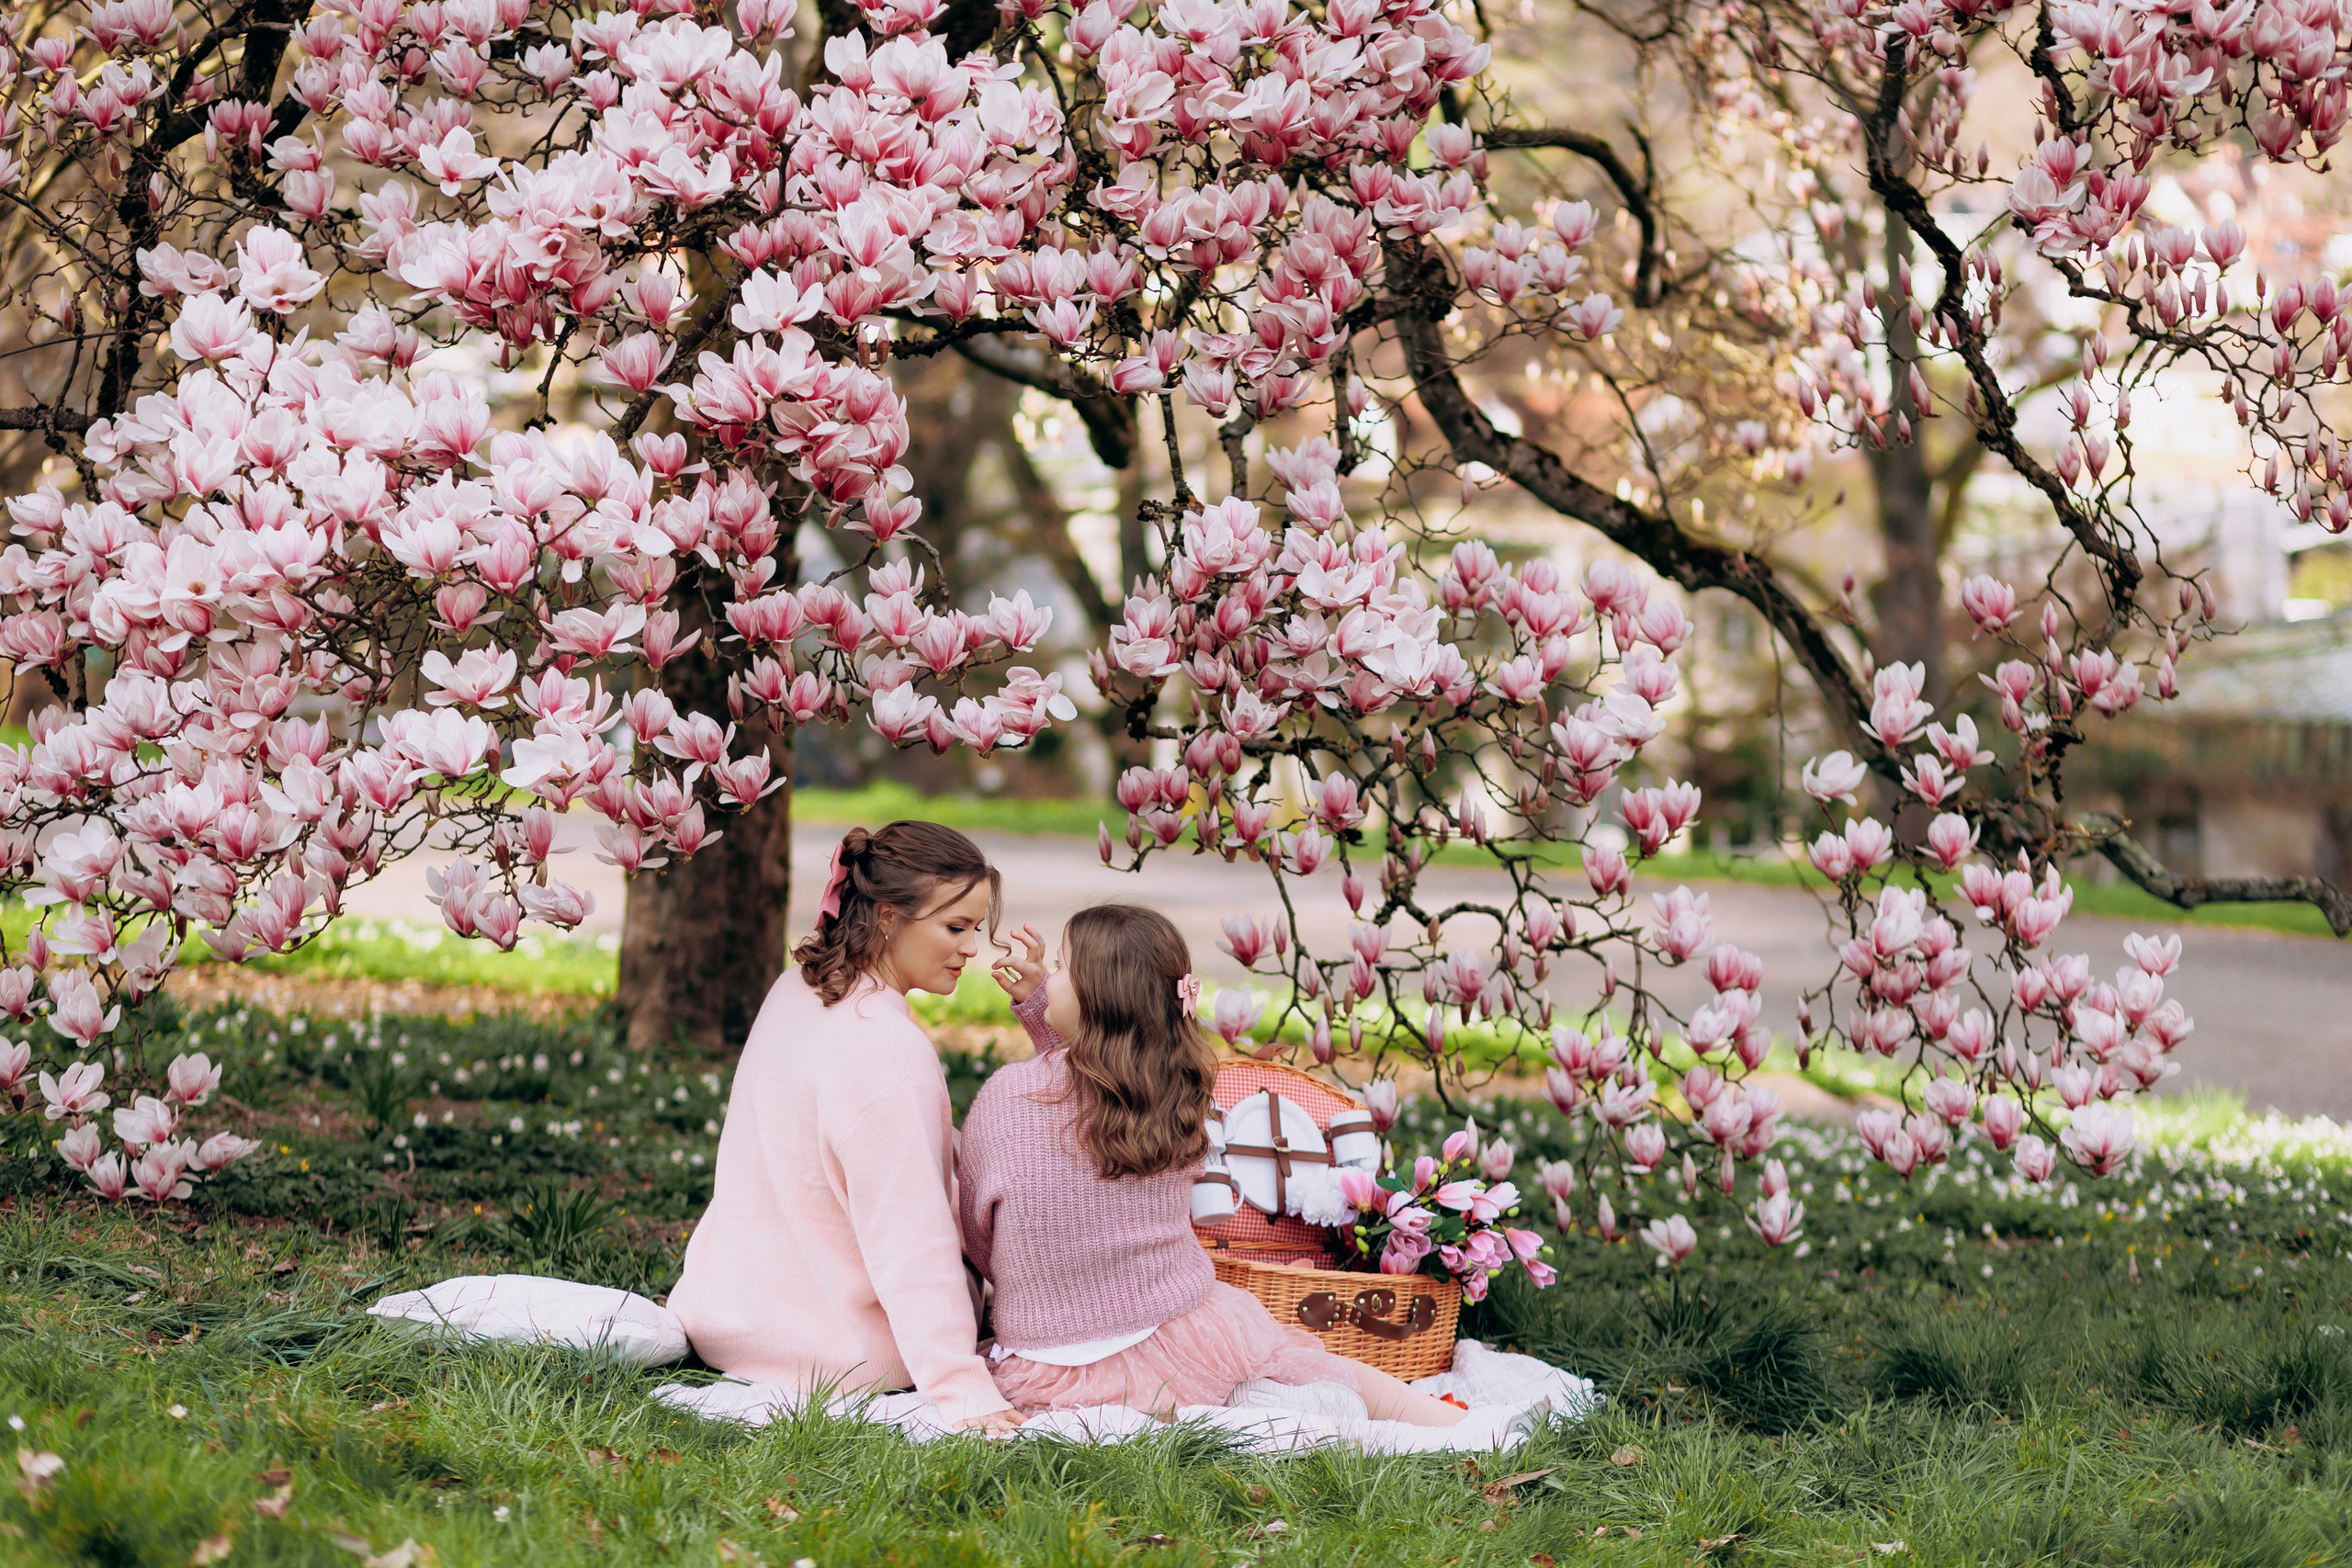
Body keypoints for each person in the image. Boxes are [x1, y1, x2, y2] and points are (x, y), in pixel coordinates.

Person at [960, 903, 1474, 1427]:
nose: (1052, 978)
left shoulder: (1006, 1099)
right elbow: (1095, 1089)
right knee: (1311, 1365)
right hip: (1180, 1345)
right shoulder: (1175, 1096)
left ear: (1097, 996)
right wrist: (1046, 1006)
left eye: (1063, 969)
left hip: (1050, 1366)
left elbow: (982, 1234)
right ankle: (1445, 1422)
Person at [669, 821, 1022, 1435]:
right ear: (888, 918)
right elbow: (912, 1240)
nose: (971, 949)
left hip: (728, 1312)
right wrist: (961, 1388)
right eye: (955, 927)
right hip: (839, 1352)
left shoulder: (797, 989)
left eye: (975, 929)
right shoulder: (887, 1050)